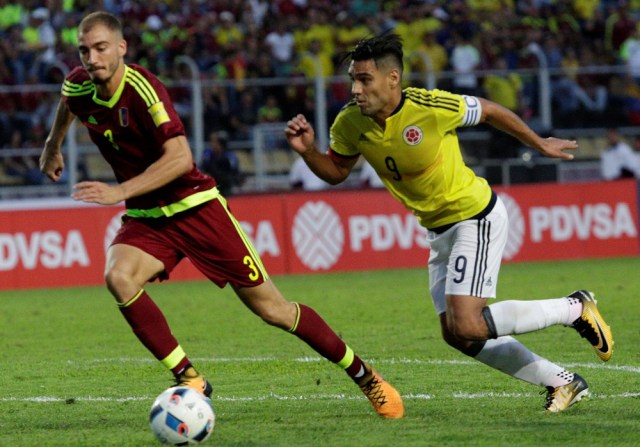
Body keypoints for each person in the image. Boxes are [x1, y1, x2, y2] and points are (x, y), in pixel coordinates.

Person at [39, 12, 403, 420]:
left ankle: (364, 375)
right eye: (84, 50)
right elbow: (68, 101)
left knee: (274, 311)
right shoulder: (77, 83)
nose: (92, 57)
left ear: (121, 47)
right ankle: (190, 378)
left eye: (101, 47)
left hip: (196, 208)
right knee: (118, 277)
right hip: (148, 215)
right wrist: (53, 145)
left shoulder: (143, 90)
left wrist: (119, 191)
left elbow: (180, 157)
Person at [285, 33, 614, 413]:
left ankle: (574, 308)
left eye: (365, 79)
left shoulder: (429, 105)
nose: (356, 89)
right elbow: (337, 170)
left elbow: (489, 110)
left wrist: (538, 143)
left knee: (469, 323)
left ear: (393, 79)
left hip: (474, 215)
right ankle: (562, 381)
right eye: (353, 81)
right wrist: (309, 151)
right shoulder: (349, 123)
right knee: (459, 336)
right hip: (438, 231)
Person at [200, 130, 243, 196]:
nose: (212, 144)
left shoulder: (230, 156)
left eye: (215, 142)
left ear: (221, 144)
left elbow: (235, 172)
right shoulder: (208, 154)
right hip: (211, 187)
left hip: (226, 188)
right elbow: (202, 169)